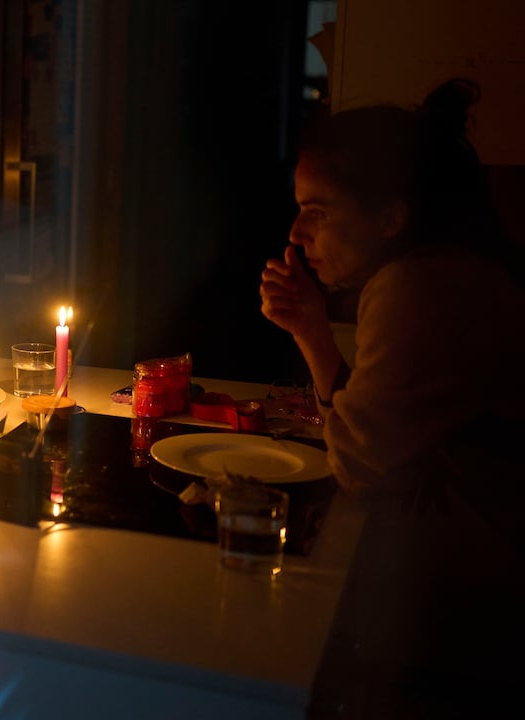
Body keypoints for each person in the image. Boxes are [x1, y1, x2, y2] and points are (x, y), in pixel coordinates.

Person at [259, 78, 525, 717]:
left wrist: (317, 340)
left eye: (318, 210)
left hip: (483, 625)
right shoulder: (444, 271)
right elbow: (372, 430)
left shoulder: (419, 291)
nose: (297, 234)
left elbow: (353, 459)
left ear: (391, 216)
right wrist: (313, 330)